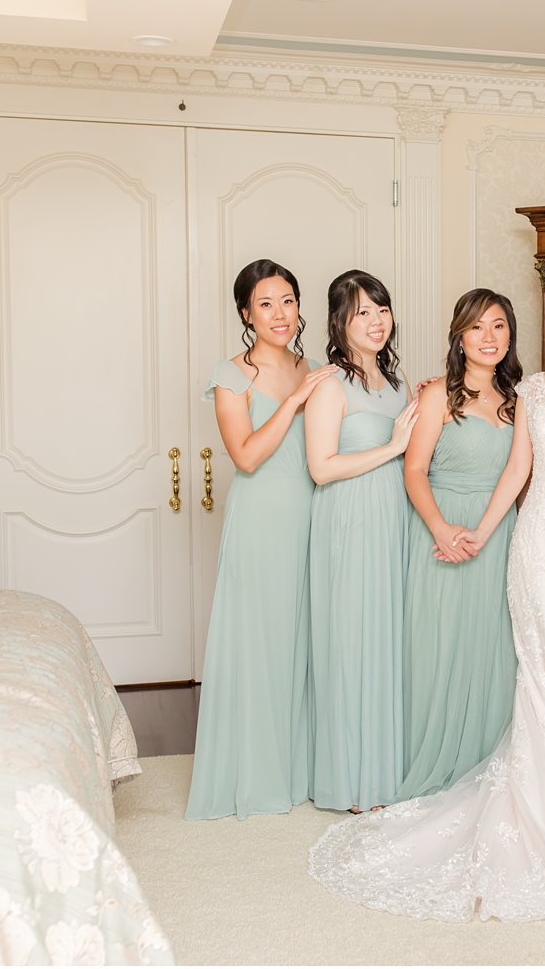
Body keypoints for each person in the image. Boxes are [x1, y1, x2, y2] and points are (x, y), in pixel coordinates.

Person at [308, 276, 545, 922]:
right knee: (537, 667)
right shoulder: (529, 392)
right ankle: (539, 789)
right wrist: (480, 531)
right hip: (532, 543)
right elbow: (515, 472)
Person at [185, 259, 336, 820]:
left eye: (289, 301)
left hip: (314, 516)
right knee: (262, 642)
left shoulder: (317, 367)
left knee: (304, 642)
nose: (281, 314)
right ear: (246, 312)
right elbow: (246, 456)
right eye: (266, 303)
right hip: (260, 521)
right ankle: (254, 772)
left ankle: (299, 766)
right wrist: (294, 401)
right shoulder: (231, 375)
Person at [394, 289, 522, 801]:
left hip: (496, 533)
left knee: (492, 649)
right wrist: (441, 529)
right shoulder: (437, 395)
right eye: (476, 327)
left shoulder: (520, 397)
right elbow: (415, 469)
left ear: (510, 334)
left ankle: (485, 760)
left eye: (498, 326)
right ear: (459, 336)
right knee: (439, 646)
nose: (488, 337)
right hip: (442, 532)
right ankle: (431, 757)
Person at [304, 270, 420, 814]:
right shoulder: (330, 384)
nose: (376, 321)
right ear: (339, 322)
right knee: (352, 639)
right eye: (361, 313)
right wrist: (394, 444)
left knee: (387, 637)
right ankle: (352, 779)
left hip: (393, 518)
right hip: (349, 520)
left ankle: (384, 768)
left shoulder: (399, 385)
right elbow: (321, 468)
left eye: (382, 309)